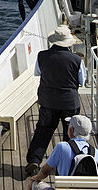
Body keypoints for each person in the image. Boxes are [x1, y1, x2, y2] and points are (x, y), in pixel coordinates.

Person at [24, 25, 86, 178]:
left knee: (43, 130)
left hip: (48, 100)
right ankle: (67, 164)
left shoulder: (42, 55)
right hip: (69, 103)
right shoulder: (77, 60)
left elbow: (38, 73)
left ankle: (34, 160)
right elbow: (82, 81)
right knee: (70, 134)